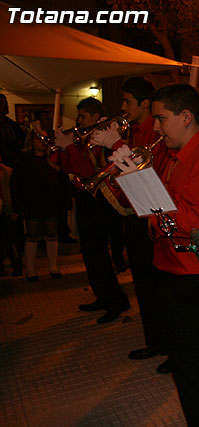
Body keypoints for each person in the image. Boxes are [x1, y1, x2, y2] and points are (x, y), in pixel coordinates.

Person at [110, 83, 199, 426]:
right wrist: (133, 182)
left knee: (198, 371)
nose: (155, 128)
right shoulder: (175, 157)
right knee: (186, 368)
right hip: (173, 270)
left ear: (185, 117)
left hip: (195, 278)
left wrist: (151, 207)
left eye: (161, 118)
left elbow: (193, 221)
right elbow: (164, 208)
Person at [92, 76, 172, 372]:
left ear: (145, 104)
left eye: (127, 101)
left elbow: (152, 174)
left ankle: (169, 346)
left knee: (157, 286)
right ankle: (156, 341)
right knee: (143, 283)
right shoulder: (136, 130)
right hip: (137, 212)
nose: (123, 107)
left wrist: (117, 144)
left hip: (152, 215)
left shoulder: (152, 133)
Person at [54, 97, 130, 324]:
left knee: (98, 252)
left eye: (83, 116)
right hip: (85, 198)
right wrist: (63, 148)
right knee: (88, 251)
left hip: (102, 201)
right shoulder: (85, 137)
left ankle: (116, 301)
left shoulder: (102, 135)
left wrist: (69, 146)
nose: (79, 121)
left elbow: (89, 170)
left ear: (96, 117)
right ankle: (102, 296)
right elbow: (70, 167)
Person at [10, 130, 63, 281]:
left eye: (44, 138)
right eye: (38, 138)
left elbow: (61, 180)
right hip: (32, 203)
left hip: (50, 203)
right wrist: (17, 206)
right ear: (31, 141)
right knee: (32, 234)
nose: (41, 141)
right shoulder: (24, 160)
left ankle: (53, 266)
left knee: (52, 233)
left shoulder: (52, 159)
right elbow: (15, 184)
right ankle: (30, 269)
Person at [0, 94, 26, 169]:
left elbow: (22, 139)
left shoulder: (12, 125)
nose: (6, 106)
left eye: (6, 103)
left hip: (16, 162)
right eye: (2, 103)